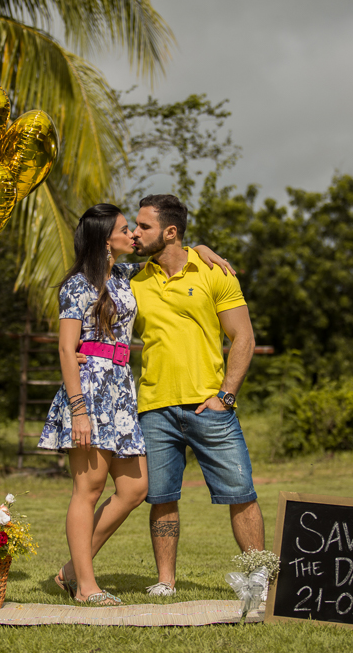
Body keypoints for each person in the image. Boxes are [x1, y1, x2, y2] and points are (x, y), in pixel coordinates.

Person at [38, 203, 231, 606]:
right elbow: (65, 348)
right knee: (88, 489)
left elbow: (172, 253)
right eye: (126, 229)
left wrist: (201, 248)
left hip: (122, 391)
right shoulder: (77, 284)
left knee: (135, 488)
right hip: (90, 390)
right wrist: (78, 410)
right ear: (105, 240)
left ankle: (71, 571)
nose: (134, 235)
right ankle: (86, 587)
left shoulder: (125, 275)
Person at [129, 193, 264, 598]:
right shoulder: (132, 279)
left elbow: (244, 337)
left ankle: (259, 578)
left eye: (144, 226)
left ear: (170, 232)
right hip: (154, 407)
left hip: (210, 406)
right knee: (162, 497)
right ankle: (165, 581)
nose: (135, 233)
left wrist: (226, 396)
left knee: (240, 493)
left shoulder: (214, 272)